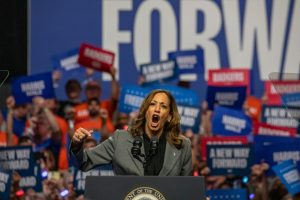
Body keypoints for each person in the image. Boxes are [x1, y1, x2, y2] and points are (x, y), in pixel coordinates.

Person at [70, 89, 192, 176]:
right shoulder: (120, 139)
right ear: (145, 111)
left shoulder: (182, 146)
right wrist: (76, 145)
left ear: (169, 116)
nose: (157, 109)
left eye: (163, 106)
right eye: (152, 104)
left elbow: (185, 189)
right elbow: (84, 161)